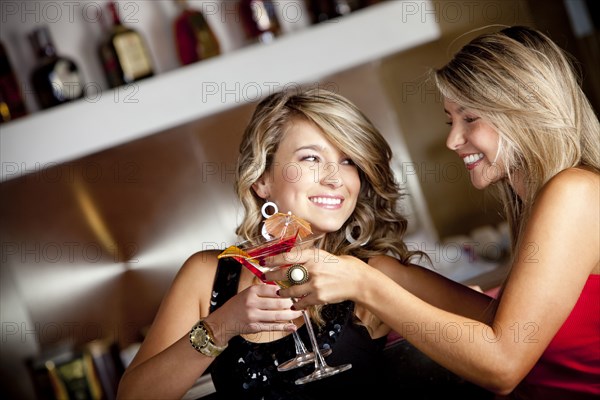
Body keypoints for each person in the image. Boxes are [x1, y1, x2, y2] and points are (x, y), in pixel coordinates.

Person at [268, 26, 600, 399]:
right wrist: (380, 271)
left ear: (525, 109)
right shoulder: (541, 200)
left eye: (469, 118)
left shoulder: (575, 191)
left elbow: (503, 363)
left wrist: (367, 285)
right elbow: (500, 323)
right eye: (450, 121)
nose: (452, 140)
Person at [117, 87, 430, 399]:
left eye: (349, 160)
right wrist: (223, 324)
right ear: (262, 180)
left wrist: (375, 288)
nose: (335, 178)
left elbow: (478, 332)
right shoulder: (207, 275)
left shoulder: (371, 273)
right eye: (311, 157)